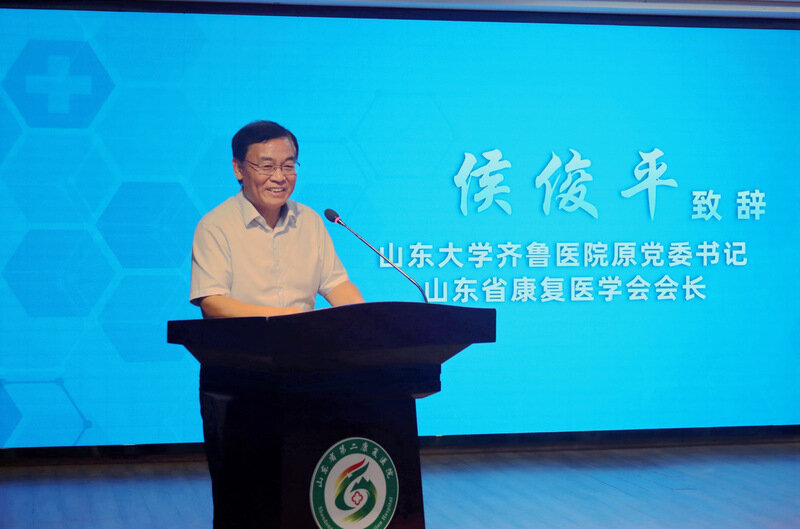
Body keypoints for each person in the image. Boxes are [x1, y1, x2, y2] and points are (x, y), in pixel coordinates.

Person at [189, 120, 364, 528]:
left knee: (309, 489)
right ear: (239, 168)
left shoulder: (311, 222)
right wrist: (286, 319)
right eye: (266, 166)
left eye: (289, 165)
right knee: (245, 501)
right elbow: (212, 302)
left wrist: (366, 323)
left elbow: (337, 285)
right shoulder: (215, 226)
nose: (280, 177)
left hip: (307, 375)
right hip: (238, 380)